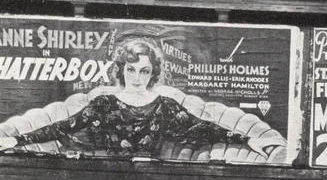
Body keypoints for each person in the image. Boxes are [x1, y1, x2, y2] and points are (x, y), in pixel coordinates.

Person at [0, 37, 277, 159]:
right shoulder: (103, 104)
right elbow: (62, 126)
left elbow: (204, 127)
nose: (136, 77)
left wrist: (247, 138)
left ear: (152, 73)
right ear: (121, 70)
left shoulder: (164, 106)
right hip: (106, 177)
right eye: (130, 70)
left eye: (144, 71)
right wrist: (17, 139)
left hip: (149, 179)